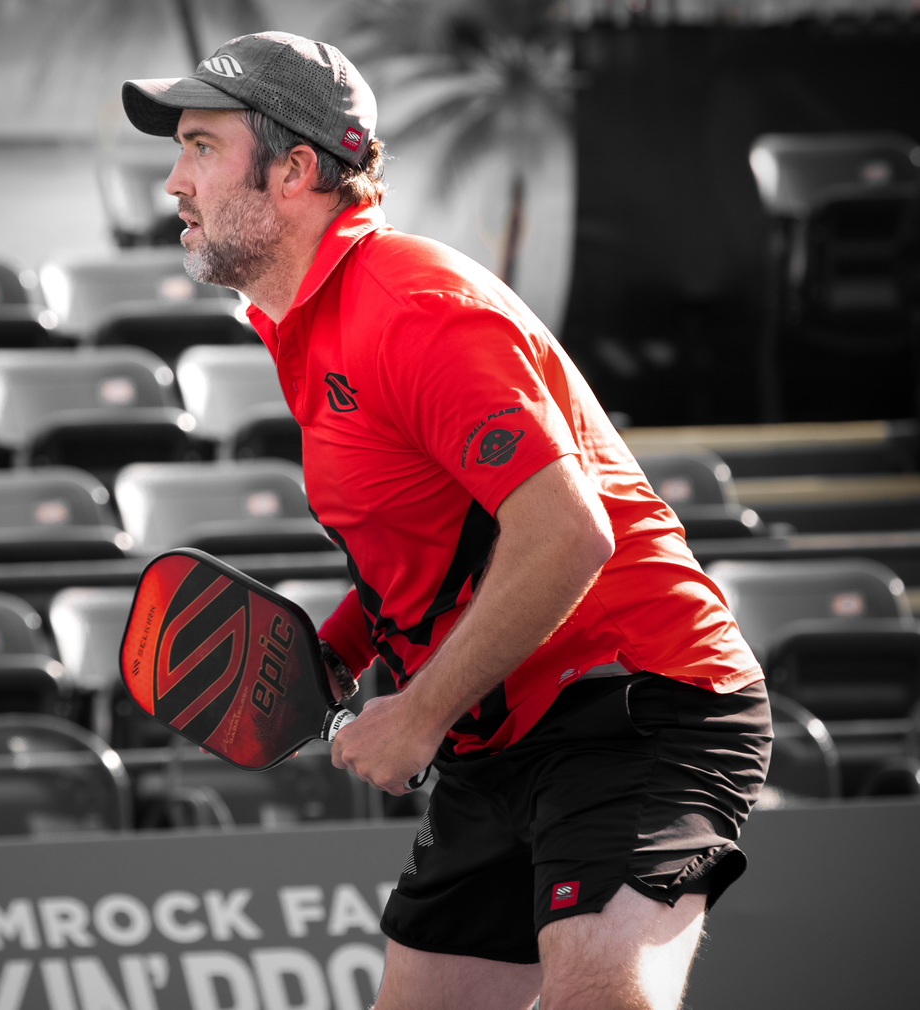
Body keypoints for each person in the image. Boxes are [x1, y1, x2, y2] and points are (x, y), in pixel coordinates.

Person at [122, 31, 772, 1010]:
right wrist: (340, 651)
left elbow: (569, 533)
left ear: (296, 168)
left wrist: (417, 713)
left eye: (202, 146)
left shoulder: (414, 307)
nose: (174, 180)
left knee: (600, 997)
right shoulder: (317, 327)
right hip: (502, 731)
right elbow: (436, 537)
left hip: (638, 698)